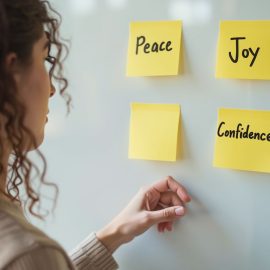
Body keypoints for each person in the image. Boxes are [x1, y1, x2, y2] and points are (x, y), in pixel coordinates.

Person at [0, 0, 191, 269]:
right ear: (12, 75)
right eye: (44, 60)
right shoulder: (26, 252)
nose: (53, 88)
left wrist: (114, 233)